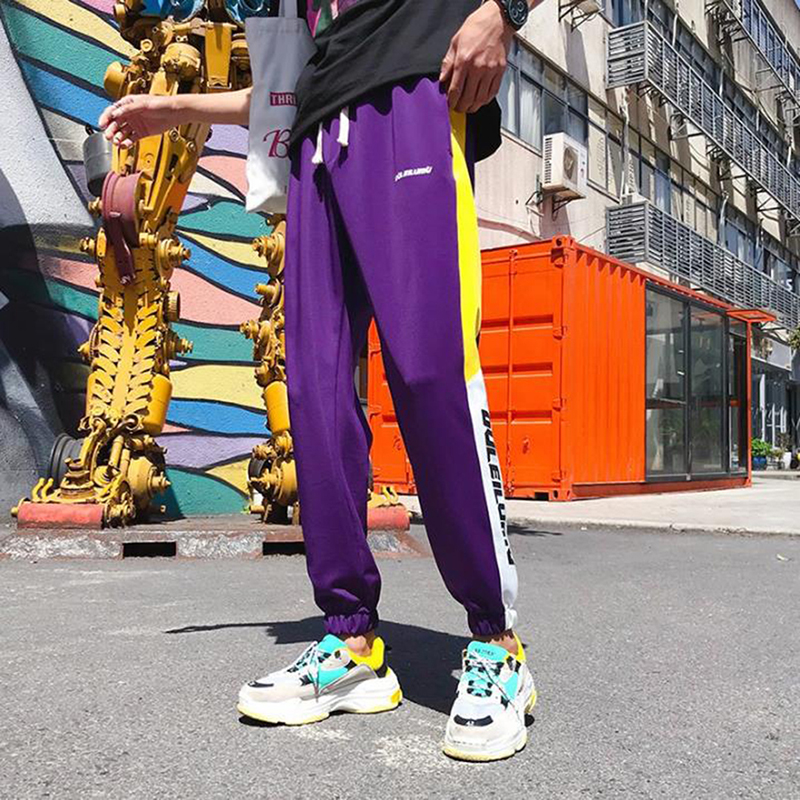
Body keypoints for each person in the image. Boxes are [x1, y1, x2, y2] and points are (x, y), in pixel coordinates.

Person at [100, 0, 539, 762]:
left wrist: (504, 11)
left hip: (413, 89)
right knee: (314, 391)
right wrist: (172, 110)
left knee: (429, 369)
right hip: (315, 138)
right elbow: (284, 85)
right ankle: (352, 641)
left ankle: (496, 644)